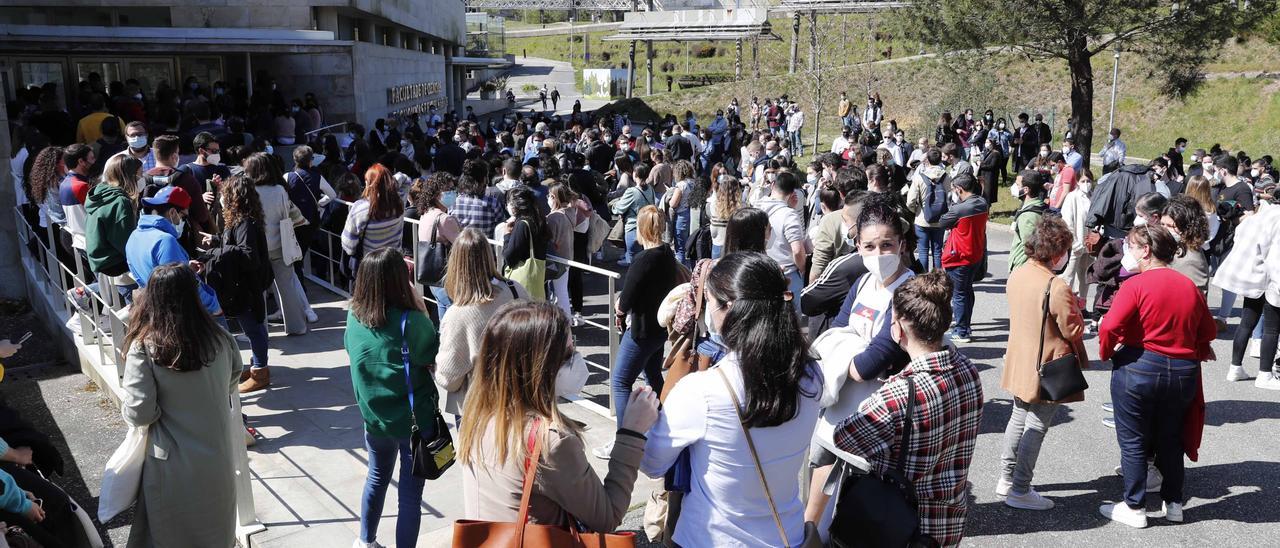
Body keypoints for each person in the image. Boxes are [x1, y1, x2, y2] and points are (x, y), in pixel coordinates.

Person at [641, 251, 821, 547]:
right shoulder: (812, 374)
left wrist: (640, 423)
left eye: (709, 302)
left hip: (709, 537)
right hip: (785, 534)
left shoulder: (701, 391)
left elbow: (652, 463)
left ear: (729, 309)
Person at [461, 301, 655, 534]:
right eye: (569, 352)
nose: (576, 359)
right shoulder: (550, 442)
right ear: (542, 367)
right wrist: (631, 433)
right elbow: (607, 516)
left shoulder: (476, 418)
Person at [834, 271, 984, 547]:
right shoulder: (968, 370)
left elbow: (844, 438)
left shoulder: (897, 395)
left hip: (900, 525)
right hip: (948, 520)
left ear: (897, 329)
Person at [804, 192, 915, 526]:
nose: (878, 254)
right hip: (836, 410)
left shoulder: (909, 293)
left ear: (902, 245)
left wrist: (848, 353)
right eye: (869, 247)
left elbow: (870, 364)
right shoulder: (865, 281)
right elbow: (836, 331)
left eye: (887, 245)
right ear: (858, 247)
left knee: (857, 508)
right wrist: (852, 349)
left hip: (875, 418)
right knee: (817, 483)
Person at [1097, 225, 1215, 527]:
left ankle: (1135, 506)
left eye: (1132, 247)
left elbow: (1109, 326)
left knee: (1134, 439)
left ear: (1146, 251)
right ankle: (1173, 503)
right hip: (1183, 371)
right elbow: (1208, 331)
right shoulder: (1187, 285)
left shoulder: (1135, 285)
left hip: (1140, 366)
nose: (1128, 253)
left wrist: (1107, 350)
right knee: (1171, 439)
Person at [120, 264, 240, 547]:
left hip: (171, 465)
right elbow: (233, 377)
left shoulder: (146, 346)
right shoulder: (220, 338)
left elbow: (139, 412)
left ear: (153, 297)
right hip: (217, 461)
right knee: (216, 535)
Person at [345, 247, 440, 548]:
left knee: (376, 477)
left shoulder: (353, 318)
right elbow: (433, 357)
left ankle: (365, 541)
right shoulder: (412, 321)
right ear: (402, 280)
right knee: (410, 497)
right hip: (415, 422)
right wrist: (421, 309)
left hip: (375, 420)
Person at [999, 216, 1089, 510]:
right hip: (1047, 364)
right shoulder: (1056, 285)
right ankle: (1020, 489)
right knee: (1036, 425)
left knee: (1017, 417)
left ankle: (1006, 477)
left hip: (1020, 359)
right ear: (1057, 252)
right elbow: (1072, 330)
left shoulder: (1019, 273)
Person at [595, 206, 679, 459]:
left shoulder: (642, 260)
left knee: (620, 382)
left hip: (641, 330)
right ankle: (663, 425)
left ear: (641, 229)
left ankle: (624, 441)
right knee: (652, 376)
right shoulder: (667, 253)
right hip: (660, 328)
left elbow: (626, 300)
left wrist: (618, 309)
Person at [435, 228, 529, 420]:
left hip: (479, 409)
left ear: (455, 263)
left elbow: (449, 379)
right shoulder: (516, 290)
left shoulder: (456, 315)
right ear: (489, 256)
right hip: (519, 398)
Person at [202, 174, 275, 393]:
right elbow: (236, 245)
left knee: (254, 328)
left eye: (225, 194)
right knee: (254, 326)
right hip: (245, 285)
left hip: (247, 286)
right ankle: (256, 365)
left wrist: (216, 251)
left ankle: (260, 372)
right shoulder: (242, 220)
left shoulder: (244, 223)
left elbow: (248, 255)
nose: (222, 198)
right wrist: (216, 240)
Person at [1212, 197, 1280, 388]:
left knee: (1246, 323)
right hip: (1270, 280)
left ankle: (1235, 368)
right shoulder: (1277, 220)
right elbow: (1276, 258)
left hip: (1252, 277)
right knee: (1272, 328)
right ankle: (1265, 374)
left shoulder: (1260, 216)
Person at [245, 153, 312, 338]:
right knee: (287, 286)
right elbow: (292, 214)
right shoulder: (280, 190)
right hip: (281, 245)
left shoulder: (249, 191)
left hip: (256, 247)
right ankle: (297, 326)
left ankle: (260, 330)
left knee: (258, 289)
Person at [938, 172, 989, 344]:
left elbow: (943, 221)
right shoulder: (982, 203)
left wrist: (951, 205)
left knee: (959, 294)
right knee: (967, 291)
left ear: (959, 189)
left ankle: (961, 330)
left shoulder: (959, 209)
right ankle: (966, 325)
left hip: (959, 257)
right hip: (974, 255)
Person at [85, 153, 141, 302]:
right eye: (138, 176)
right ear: (129, 177)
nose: (141, 180)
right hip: (113, 262)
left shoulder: (101, 191)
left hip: (99, 259)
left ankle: (87, 291)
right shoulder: (121, 202)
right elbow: (125, 241)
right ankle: (86, 292)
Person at [755, 171, 808, 309]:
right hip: (788, 275)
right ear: (792, 192)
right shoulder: (789, 215)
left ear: (773, 185)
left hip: (761, 270)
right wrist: (802, 270)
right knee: (790, 322)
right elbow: (797, 250)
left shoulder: (756, 207)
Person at [342, 163, 405, 267]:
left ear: (369, 183)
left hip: (370, 266)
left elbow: (348, 245)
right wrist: (390, 181)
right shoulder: (399, 203)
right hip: (394, 263)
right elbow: (406, 180)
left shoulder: (360, 208)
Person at [501, 186, 548, 301]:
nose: (508, 205)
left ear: (516, 204)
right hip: (536, 279)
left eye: (509, 202)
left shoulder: (522, 224)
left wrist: (507, 235)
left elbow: (509, 257)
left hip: (521, 284)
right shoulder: (538, 220)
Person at [906, 147, 949, 271]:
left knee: (923, 251)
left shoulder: (919, 177)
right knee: (937, 251)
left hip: (922, 219)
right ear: (940, 160)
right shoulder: (946, 177)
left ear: (927, 161)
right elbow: (950, 197)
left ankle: (924, 280)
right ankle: (937, 279)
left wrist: (917, 211)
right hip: (940, 220)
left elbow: (910, 201)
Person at [1160, 195, 1212, 292]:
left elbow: (1195, 298)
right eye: (1162, 224)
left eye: (1171, 226)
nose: (1164, 230)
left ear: (1187, 227)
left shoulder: (1191, 261)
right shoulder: (1174, 246)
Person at [612, 162, 657, 267]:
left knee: (634, 264)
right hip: (647, 228)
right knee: (644, 261)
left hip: (633, 229)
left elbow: (619, 208)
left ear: (635, 174)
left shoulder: (632, 191)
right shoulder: (650, 189)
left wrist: (613, 205)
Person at [545, 183, 581, 318]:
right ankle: (565, 320)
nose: (547, 198)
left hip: (555, 259)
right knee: (562, 292)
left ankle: (565, 322)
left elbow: (550, 240)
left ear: (554, 197)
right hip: (566, 259)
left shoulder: (554, 218)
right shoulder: (570, 212)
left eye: (549, 196)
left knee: (558, 293)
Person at [1009, 170, 1049, 271]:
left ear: (1026, 189)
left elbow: (1029, 247)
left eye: (1017, 184)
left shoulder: (1027, 216)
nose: (1014, 187)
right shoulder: (1041, 206)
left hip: (1023, 269)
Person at [666, 160, 696, 267]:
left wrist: (669, 197)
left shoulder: (681, 185)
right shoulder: (694, 182)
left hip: (682, 216)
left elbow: (673, 204)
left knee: (680, 248)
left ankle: (681, 273)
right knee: (691, 246)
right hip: (693, 215)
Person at [707, 174, 744, 259]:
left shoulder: (713, 205)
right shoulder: (742, 207)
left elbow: (713, 231)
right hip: (735, 247)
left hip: (717, 245)